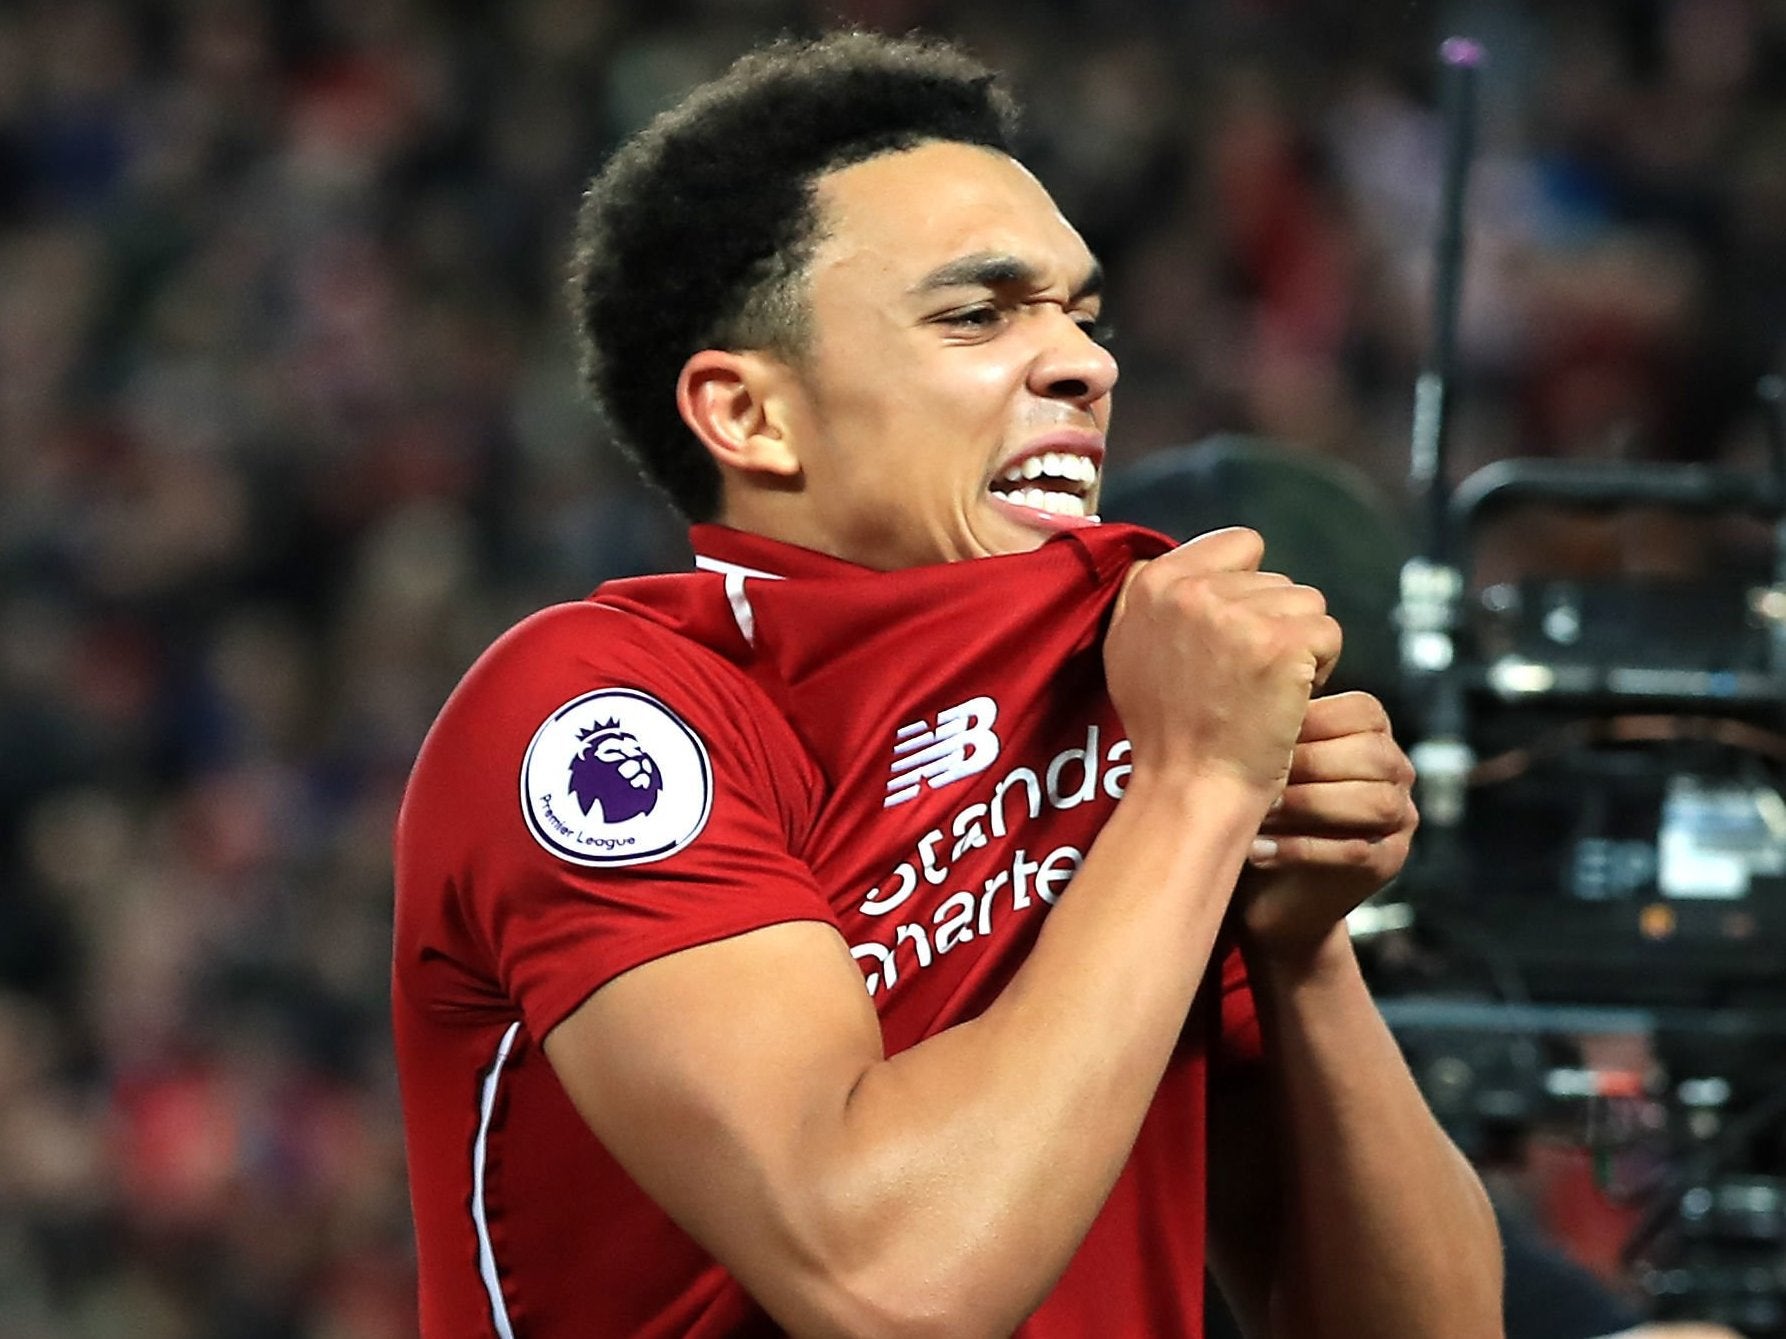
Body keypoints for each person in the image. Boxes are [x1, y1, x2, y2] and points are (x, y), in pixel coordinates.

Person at [393, 30, 1503, 1338]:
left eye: (1081, 316)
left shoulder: (1130, 694)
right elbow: (886, 1285)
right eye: (977, 316)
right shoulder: (601, 711)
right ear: (748, 417)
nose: (1084, 367)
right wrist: (1196, 792)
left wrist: (1303, 948)